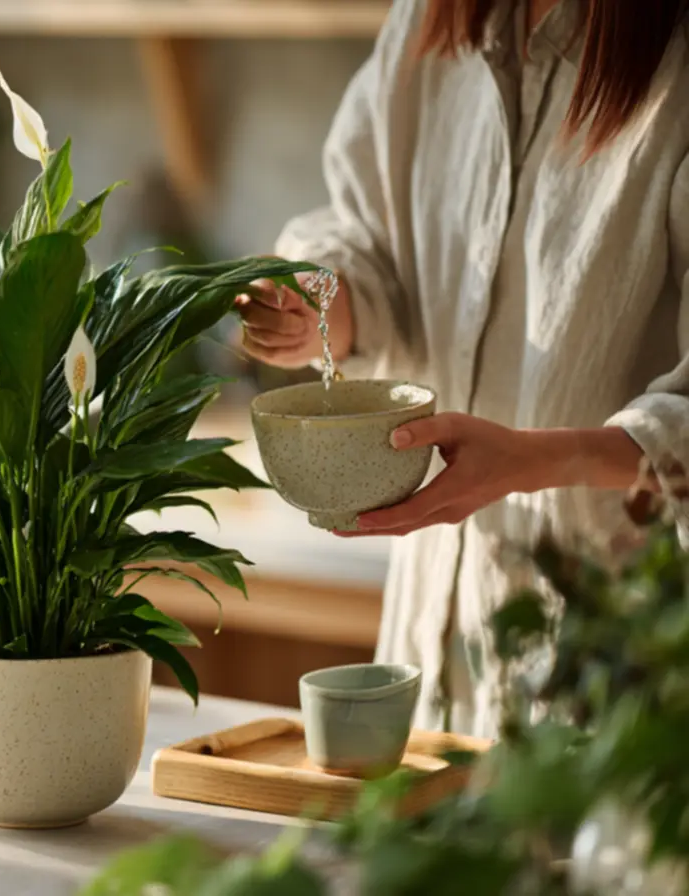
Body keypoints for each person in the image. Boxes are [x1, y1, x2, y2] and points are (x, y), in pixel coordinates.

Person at [236, 0, 689, 737]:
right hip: (431, 658)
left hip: (615, 690)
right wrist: (320, 306)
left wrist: (539, 460)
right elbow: (366, 236)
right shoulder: (428, 20)